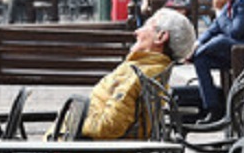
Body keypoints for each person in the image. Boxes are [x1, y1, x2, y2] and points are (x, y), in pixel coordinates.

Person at [80, 8, 195, 141]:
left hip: (82, 151)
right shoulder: (148, 69)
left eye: (146, 26)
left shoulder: (139, 74)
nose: (136, 32)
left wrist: (74, 121)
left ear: (161, 37)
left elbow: (107, 128)